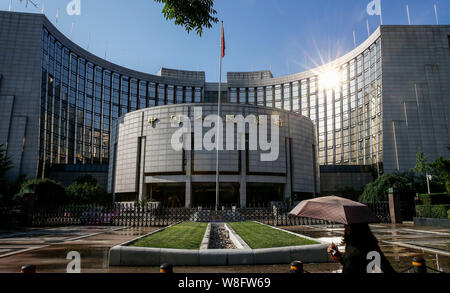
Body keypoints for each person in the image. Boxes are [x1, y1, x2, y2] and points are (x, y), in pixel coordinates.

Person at [327, 223, 396, 275]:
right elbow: (349, 265)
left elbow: (386, 268)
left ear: (358, 226)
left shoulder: (370, 245)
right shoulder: (350, 243)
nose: (345, 227)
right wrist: (336, 254)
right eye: (345, 225)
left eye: (348, 225)